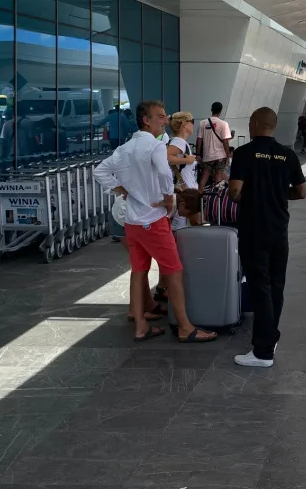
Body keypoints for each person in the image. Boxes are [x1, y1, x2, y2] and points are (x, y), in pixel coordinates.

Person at [93, 100, 216, 344]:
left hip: (132, 223)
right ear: (146, 120)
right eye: (160, 116)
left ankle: (140, 326)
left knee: (139, 272)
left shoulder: (124, 149)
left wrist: (121, 189)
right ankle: (184, 327)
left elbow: (99, 172)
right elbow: (163, 173)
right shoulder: (155, 146)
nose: (165, 120)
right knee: (174, 271)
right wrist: (168, 199)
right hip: (153, 220)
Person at [229, 107, 306, 367]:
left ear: (256, 123)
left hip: (253, 229)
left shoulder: (243, 153)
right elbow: (301, 192)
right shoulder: (288, 154)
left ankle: (263, 351)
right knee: (276, 284)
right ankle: (270, 337)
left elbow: (235, 192)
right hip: (279, 229)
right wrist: (276, 193)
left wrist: (252, 193)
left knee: (259, 285)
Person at [197, 102, 231, 190]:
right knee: (219, 176)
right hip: (220, 156)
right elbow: (225, 141)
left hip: (207, 156)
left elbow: (199, 139)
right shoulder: (224, 124)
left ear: (211, 109)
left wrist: (198, 154)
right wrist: (228, 155)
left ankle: (198, 198)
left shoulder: (202, 123)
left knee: (204, 177)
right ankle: (216, 198)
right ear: (220, 111)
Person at [167, 112, 198, 192]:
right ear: (184, 124)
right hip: (184, 191)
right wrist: (187, 160)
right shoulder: (179, 141)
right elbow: (166, 157)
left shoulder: (176, 141)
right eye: (192, 121)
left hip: (184, 190)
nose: (193, 124)